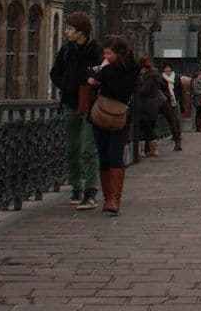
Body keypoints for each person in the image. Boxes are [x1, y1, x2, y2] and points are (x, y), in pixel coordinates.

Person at [49, 12, 102, 210]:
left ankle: (90, 191)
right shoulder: (66, 51)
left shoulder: (96, 51)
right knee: (71, 147)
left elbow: (103, 73)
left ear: (81, 32)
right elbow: (55, 73)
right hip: (71, 102)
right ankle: (76, 186)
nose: (66, 31)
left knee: (88, 148)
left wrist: (92, 82)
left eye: (69, 28)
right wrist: (68, 86)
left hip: (90, 103)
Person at [87, 38, 139, 216]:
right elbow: (91, 77)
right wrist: (94, 78)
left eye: (109, 53)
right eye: (105, 53)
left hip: (119, 117)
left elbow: (121, 90)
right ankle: (107, 196)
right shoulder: (105, 66)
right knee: (103, 156)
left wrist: (103, 71)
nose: (105, 56)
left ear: (119, 54)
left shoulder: (130, 68)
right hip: (100, 115)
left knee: (114, 154)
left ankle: (114, 199)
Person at [134, 55, 166, 157]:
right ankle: (147, 149)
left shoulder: (148, 76)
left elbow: (144, 90)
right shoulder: (155, 75)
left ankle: (147, 150)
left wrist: (136, 89)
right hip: (153, 105)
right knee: (148, 126)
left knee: (145, 127)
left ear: (143, 68)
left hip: (145, 105)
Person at [160, 64, 183, 151]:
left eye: (169, 68)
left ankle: (178, 136)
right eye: (166, 68)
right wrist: (168, 96)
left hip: (175, 100)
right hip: (167, 101)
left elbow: (180, 90)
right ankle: (175, 137)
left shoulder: (176, 77)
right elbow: (161, 90)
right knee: (171, 119)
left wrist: (180, 100)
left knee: (177, 118)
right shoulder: (161, 78)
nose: (167, 70)